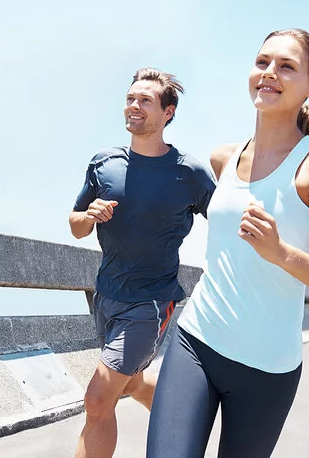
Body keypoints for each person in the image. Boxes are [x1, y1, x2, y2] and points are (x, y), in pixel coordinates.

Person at [146, 28, 309, 458]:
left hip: (266, 369)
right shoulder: (224, 158)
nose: (270, 73)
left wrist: (280, 252)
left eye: (287, 66)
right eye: (263, 62)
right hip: (196, 341)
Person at [69, 67, 216, 458]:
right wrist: (89, 216)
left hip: (151, 303)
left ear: (168, 112)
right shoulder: (105, 162)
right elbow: (75, 225)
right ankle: (185, 426)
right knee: (128, 384)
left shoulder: (190, 173)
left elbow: (226, 222)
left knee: (98, 400)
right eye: (130, 99)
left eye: (145, 101)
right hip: (106, 296)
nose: (134, 106)